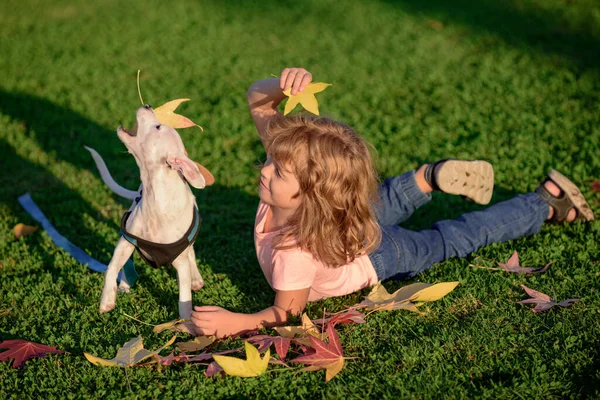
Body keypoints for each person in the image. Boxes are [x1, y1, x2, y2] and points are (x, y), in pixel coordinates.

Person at [190, 68, 594, 337]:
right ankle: (428, 177)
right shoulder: (305, 179)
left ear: (314, 193)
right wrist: (283, 82)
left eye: (277, 172)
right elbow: (258, 100)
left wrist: (237, 321)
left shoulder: (293, 253)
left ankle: (544, 202)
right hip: (340, 230)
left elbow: (287, 314)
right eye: (270, 161)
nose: (264, 170)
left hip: (379, 257)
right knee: (373, 205)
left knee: (451, 238)